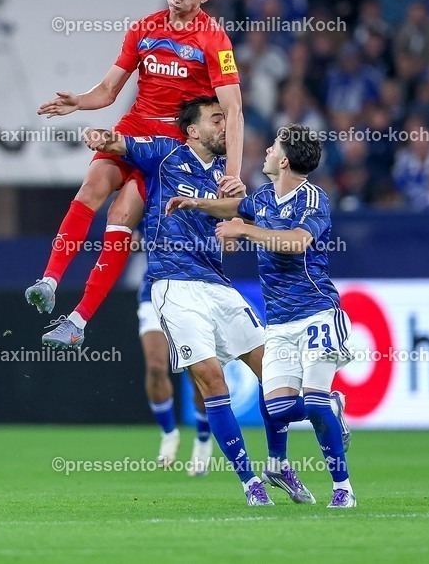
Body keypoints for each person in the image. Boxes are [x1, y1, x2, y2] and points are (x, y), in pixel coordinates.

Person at [86, 96, 314, 506]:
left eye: (226, 119)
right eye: (216, 120)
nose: (225, 127)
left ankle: (277, 465)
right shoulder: (165, 153)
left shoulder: (229, 180)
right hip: (173, 284)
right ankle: (249, 483)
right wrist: (101, 135)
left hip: (219, 285)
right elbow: (119, 145)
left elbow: (255, 215)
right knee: (211, 377)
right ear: (193, 131)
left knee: (276, 377)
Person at [26, 0, 246, 348]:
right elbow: (109, 90)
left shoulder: (213, 39)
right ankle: (49, 280)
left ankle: (77, 321)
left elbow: (234, 110)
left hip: (171, 145)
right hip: (134, 125)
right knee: (91, 187)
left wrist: (231, 173)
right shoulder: (144, 28)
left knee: (122, 214)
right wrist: (79, 100)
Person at [167, 124, 356, 508]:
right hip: (281, 323)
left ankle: (343, 489)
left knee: (316, 403)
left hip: (317, 312)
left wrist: (245, 232)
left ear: (284, 160)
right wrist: (196, 204)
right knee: (279, 409)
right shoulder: (266, 197)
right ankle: (330, 409)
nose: (267, 150)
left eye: (273, 146)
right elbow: (236, 209)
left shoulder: (313, 199)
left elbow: (297, 242)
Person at [137, 276, 212, 475]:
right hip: (153, 292)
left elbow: (230, 247)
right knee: (155, 367)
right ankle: (169, 434)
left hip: (191, 292)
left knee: (198, 372)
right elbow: (130, 246)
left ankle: (203, 440)